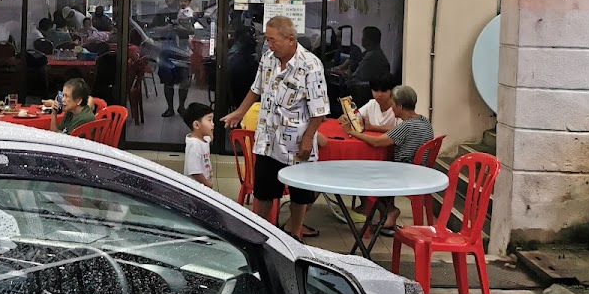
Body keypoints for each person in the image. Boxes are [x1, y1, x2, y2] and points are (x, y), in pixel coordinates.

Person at [222, 16, 329, 241]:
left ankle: (295, 234)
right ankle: (258, 235)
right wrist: (240, 112)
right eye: (267, 40)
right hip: (268, 139)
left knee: (300, 194)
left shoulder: (310, 65)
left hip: (296, 141)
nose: (269, 45)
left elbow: (319, 109)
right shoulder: (268, 58)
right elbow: (256, 89)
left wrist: (308, 138)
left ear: (290, 39)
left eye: (273, 40)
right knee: (263, 191)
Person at [344, 84, 435, 235]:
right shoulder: (425, 121)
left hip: (406, 173)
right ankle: (388, 211)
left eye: (393, 105)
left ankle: (390, 211)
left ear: (400, 106)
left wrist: (351, 132)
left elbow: (376, 142)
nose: (391, 108)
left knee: (364, 174)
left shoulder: (406, 126)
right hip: (420, 170)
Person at [182, 101, 214, 189]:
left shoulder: (203, 138)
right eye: (209, 120)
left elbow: (210, 138)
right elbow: (195, 172)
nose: (213, 124)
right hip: (196, 188)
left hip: (203, 186)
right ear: (196, 125)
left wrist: (210, 132)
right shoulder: (195, 146)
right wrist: (207, 184)